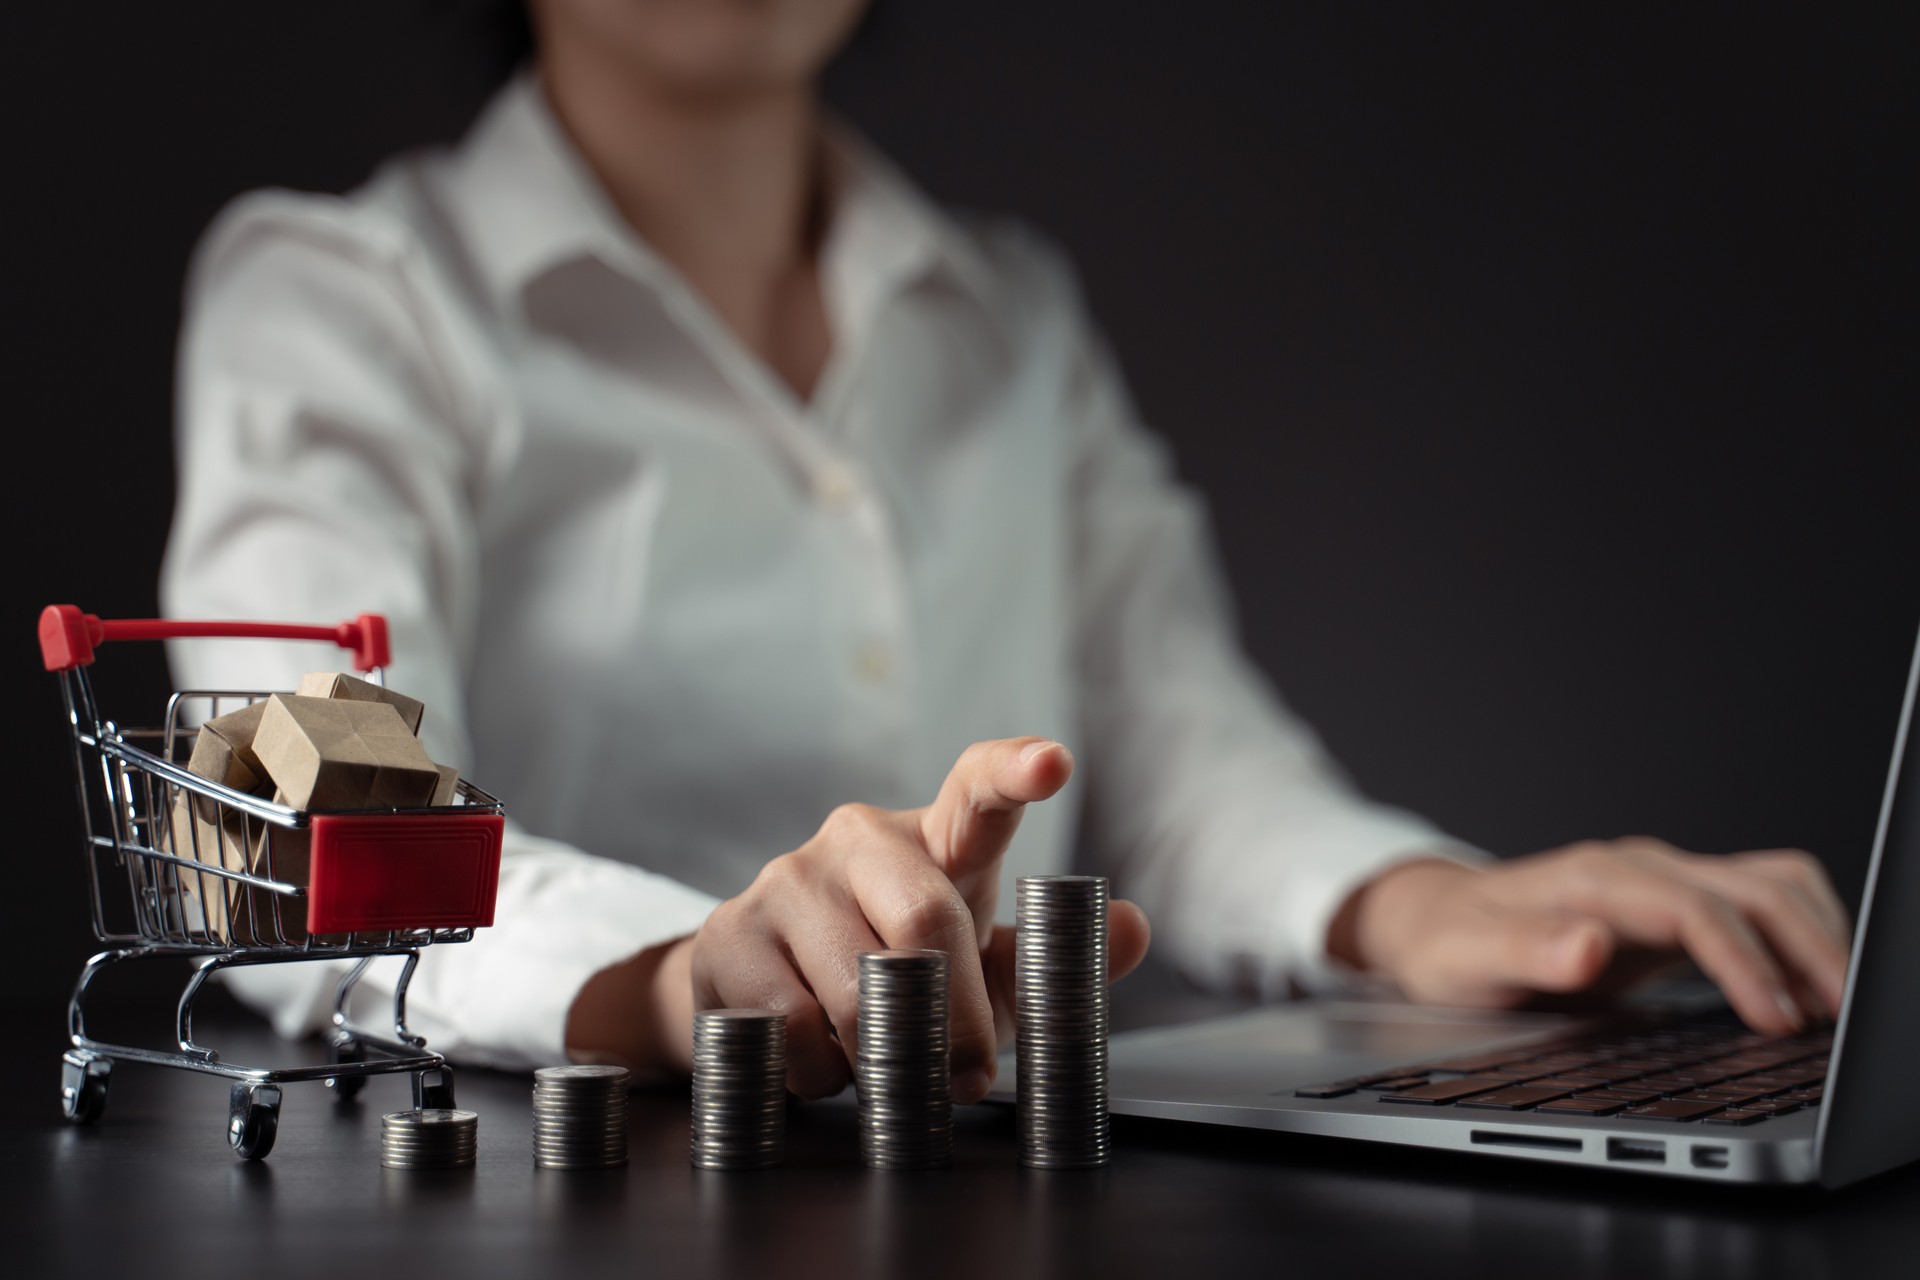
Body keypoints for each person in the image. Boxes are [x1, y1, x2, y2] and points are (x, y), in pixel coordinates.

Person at [159, 0, 1851, 1102]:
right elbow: (296, 843)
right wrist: (676, 977)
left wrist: (1434, 905)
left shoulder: (1011, 320)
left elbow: (1184, 765)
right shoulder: (338, 301)